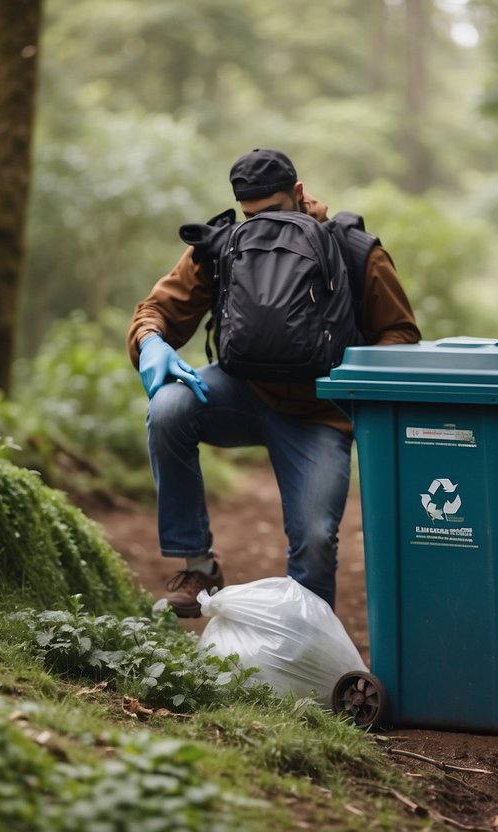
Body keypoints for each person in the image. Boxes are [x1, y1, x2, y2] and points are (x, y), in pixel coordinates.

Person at [127, 148, 420, 617]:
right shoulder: (225, 246)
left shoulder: (351, 249)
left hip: (319, 413)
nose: (263, 227)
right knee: (168, 408)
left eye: (275, 213)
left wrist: (350, 381)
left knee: (317, 543)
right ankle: (198, 565)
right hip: (242, 392)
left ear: (299, 194)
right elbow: (157, 310)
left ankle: (308, 655)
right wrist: (151, 342)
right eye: (252, 217)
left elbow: (401, 332)